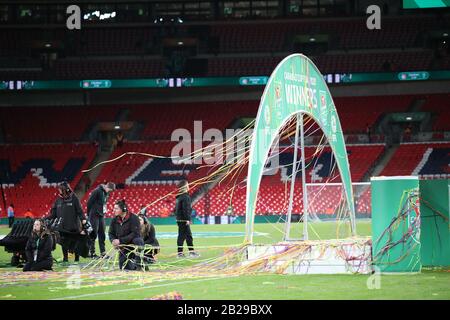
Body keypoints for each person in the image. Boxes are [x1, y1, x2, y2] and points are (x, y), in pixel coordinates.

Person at [47, 182, 87, 263]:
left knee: (75, 243)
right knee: (64, 243)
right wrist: (45, 219)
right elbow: (53, 214)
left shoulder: (74, 198)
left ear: (65, 189)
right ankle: (65, 258)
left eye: (60, 189)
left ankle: (76, 259)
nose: (59, 190)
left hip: (74, 226)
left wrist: (83, 220)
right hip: (63, 227)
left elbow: (80, 211)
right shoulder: (58, 200)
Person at [108, 199, 144, 270]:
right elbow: (111, 233)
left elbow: (134, 233)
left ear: (123, 209)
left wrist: (120, 241)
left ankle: (139, 262)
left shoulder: (134, 218)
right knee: (123, 267)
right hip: (123, 245)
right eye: (114, 208)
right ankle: (133, 264)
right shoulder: (114, 220)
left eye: (116, 208)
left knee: (138, 241)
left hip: (132, 243)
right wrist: (113, 241)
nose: (113, 210)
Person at [87, 182, 115, 258]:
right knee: (94, 234)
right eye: (110, 190)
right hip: (94, 215)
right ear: (107, 187)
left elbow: (103, 204)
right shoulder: (97, 191)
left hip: (101, 215)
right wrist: (88, 214)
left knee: (102, 234)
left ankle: (103, 253)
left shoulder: (106, 194)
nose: (110, 192)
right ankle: (92, 253)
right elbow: (89, 202)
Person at [174, 180, 199, 258]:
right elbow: (186, 209)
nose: (189, 186)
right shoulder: (185, 196)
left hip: (180, 219)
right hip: (183, 219)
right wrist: (188, 219)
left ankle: (191, 252)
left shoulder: (179, 196)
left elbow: (177, 209)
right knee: (182, 236)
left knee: (188, 236)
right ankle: (180, 253)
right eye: (188, 185)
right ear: (185, 186)